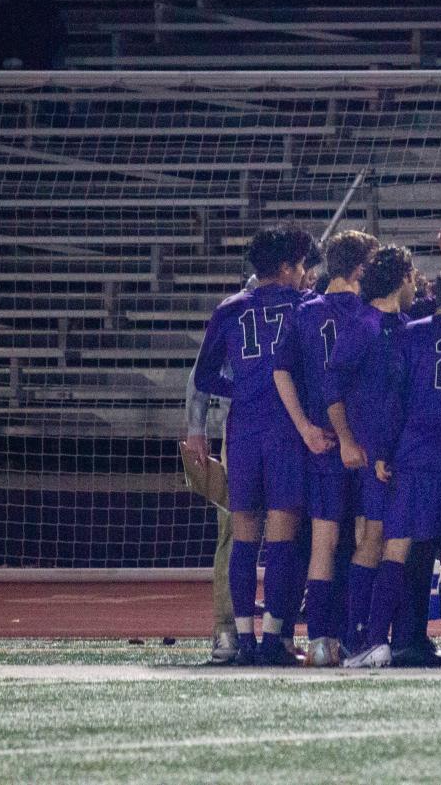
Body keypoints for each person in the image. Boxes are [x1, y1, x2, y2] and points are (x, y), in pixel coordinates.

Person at [344, 265, 441, 669]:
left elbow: (395, 399)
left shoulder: (409, 334)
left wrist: (383, 453)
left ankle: (376, 642)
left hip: (416, 453)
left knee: (397, 547)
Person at [192, 225, 321, 666]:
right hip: (288, 433)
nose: (305, 274)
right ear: (286, 269)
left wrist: (244, 388)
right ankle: (274, 640)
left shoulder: (229, 309)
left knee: (245, 537)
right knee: (284, 538)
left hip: (243, 433)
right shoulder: (305, 306)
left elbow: (205, 378)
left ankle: (242, 640)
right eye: (301, 265)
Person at [273, 230, 379, 667]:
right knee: (365, 540)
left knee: (323, 542)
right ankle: (357, 636)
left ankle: (319, 643)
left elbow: (280, 373)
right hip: (367, 446)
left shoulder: (303, 312)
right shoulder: (374, 313)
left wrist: (305, 429)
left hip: (322, 446)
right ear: (360, 270)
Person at [325, 244, 417, 653]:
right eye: (413, 276)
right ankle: (357, 635)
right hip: (374, 452)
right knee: (376, 538)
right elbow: (332, 390)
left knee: (391, 539)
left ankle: (392, 637)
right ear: (402, 279)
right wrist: (346, 440)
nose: (417, 283)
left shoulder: (407, 325)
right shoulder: (362, 325)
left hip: (403, 452)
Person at [181, 368, 236, 663]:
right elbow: (203, 369)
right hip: (244, 427)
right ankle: (227, 626)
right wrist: (195, 429)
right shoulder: (231, 318)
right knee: (234, 528)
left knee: (294, 530)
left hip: (298, 425)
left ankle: (282, 630)